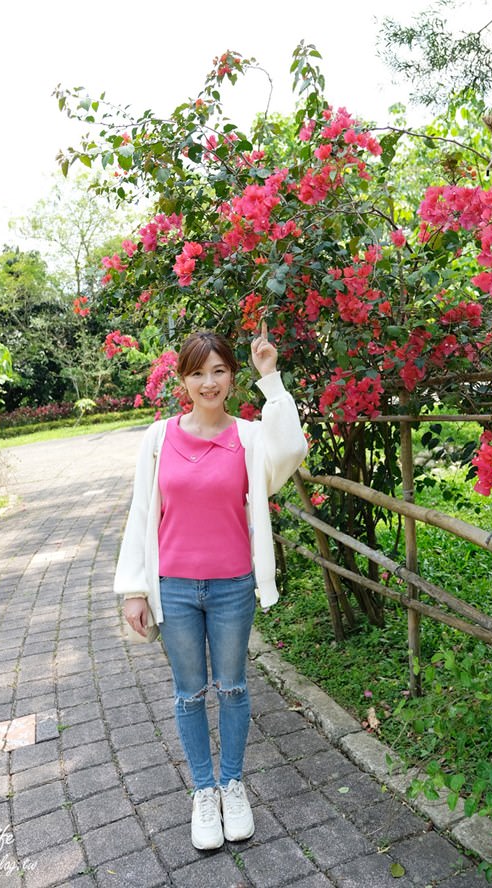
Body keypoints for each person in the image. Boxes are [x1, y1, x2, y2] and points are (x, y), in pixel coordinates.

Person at [114, 323, 307, 850]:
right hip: (173, 587)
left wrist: (271, 377)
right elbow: (140, 514)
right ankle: (204, 791)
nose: (209, 383)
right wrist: (134, 588)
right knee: (188, 694)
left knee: (235, 687)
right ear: (183, 379)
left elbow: (290, 451)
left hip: (231, 587)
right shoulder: (157, 439)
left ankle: (233, 785)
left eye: (218, 371)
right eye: (198, 373)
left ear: (231, 376)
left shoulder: (247, 438)